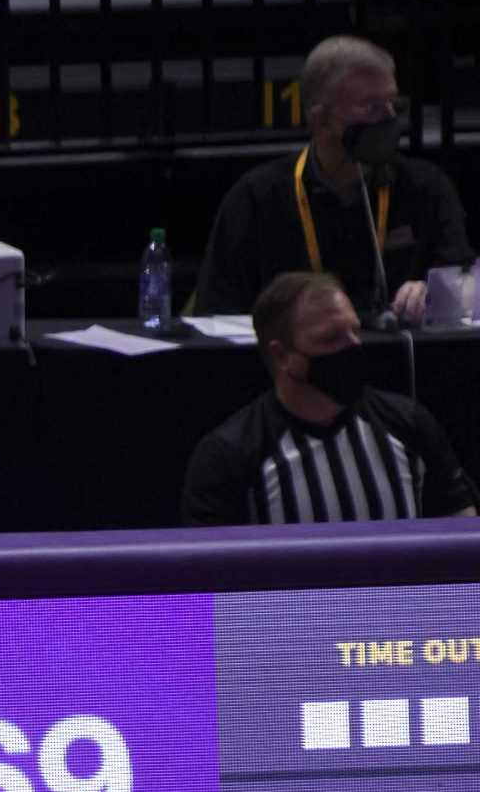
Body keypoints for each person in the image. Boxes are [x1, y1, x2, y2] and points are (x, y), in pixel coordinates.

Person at [189, 35, 473, 324]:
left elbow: (466, 284)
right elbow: (216, 310)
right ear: (321, 120)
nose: (388, 119)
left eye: (393, 105)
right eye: (372, 107)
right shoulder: (256, 198)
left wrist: (435, 294)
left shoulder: (427, 186)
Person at [182, 271, 477, 525]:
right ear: (282, 355)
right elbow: (210, 577)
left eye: (355, 331)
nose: (353, 347)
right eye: (331, 338)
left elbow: (463, 539)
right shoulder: (229, 456)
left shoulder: (408, 424)